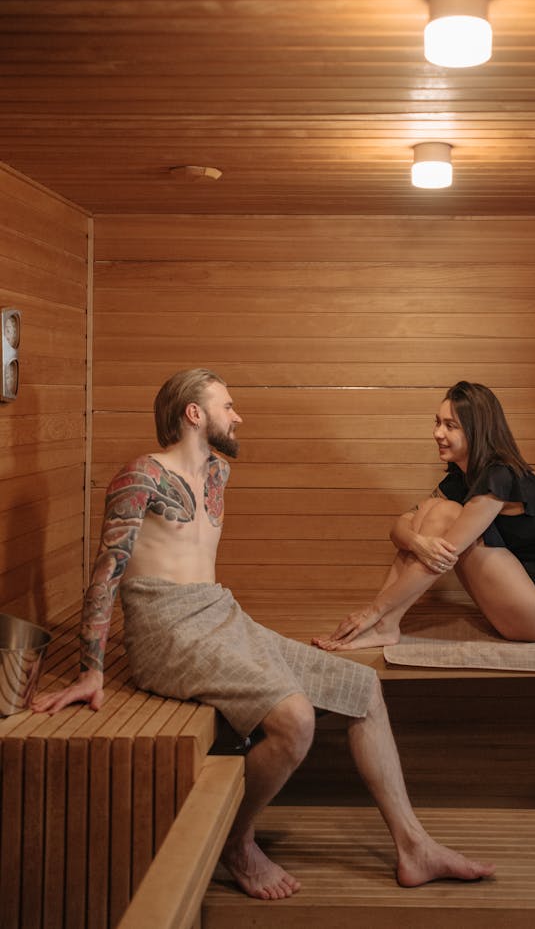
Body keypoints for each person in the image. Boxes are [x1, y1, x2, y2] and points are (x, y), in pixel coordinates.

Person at [31, 368, 493, 901]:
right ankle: (236, 841)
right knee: (294, 719)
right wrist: (92, 670)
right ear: (194, 414)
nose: (238, 415)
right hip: (165, 630)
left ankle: (414, 846)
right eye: (227, 405)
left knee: (364, 690)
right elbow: (106, 571)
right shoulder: (140, 477)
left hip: (218, 612)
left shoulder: (217, 475)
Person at [313, 380, 535, 653]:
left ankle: (381, 621)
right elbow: (399, 528)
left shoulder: (500, 474)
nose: (438, 433)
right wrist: (416, 542)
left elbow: (444, 556)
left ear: (477, 431)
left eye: (451, 426)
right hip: (513, 604)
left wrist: (371, 610)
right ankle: (384, 624)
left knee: (445, 515)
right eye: (438, 423)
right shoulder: (460, 480)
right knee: (431, 511)